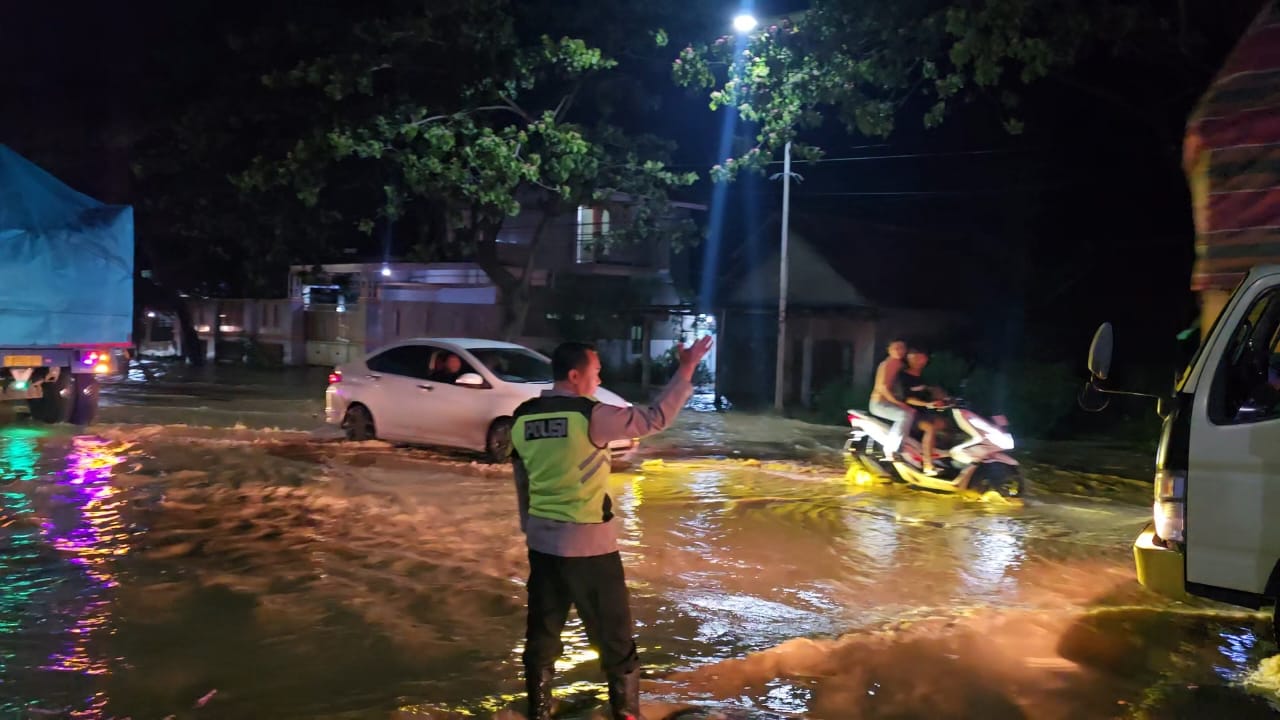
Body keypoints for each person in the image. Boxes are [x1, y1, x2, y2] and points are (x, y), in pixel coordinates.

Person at [512, 336, 714, 720]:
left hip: (542, 546)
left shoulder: (524, 416)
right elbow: (656, 417)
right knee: (615, 639)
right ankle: (626, 713)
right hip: (590, 548)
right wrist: (686, 368)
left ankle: (539, 710)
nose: (598, 377)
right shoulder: (592, 416)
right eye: (595, 371)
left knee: (543, 634)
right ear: (574, 376)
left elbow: (521, 481)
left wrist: (531, 530)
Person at [899, 348, 947, 475]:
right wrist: (927, 404)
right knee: (930, 428)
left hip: (925, 413)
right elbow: (907, 399)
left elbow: (934, 390)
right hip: (911, 414)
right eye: (913, 359)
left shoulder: (924, 376)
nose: (917, 362)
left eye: (920, 358)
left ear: (925, 359)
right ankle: (928, 465)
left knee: (945, 425)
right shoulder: (903, 377)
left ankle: (942, 458)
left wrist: (943, 398)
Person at [868, 339, 912, 460]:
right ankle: (890, 449)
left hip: (890, 402)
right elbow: (883, 388)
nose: (898, 351)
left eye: (901, 347)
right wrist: (899, 404)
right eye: (895, 348)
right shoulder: (888, 364)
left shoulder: (901, 365)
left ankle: (905, 448)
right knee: (904, 415)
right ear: (889, 350)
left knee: (911, 414)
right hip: (879, 404)